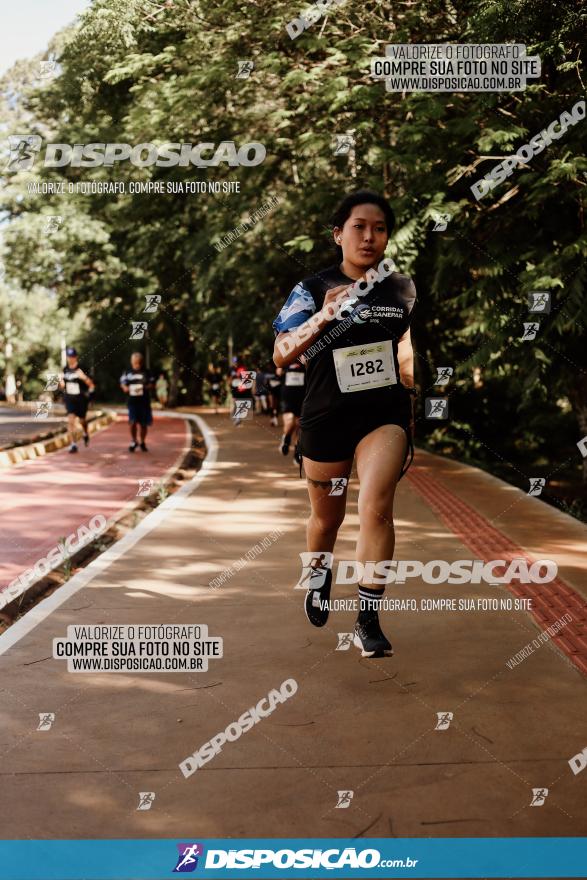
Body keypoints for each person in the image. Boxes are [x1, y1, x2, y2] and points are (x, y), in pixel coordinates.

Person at [272, 190, 417, 658]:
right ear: (339, 234)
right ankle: (319, 574)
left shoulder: (400, 287)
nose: (369, 236)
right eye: (359, 226)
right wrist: (323, 316)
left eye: (379, 228)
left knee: (376, 506)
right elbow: (281, 352)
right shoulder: (311, 289)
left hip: (383, 416)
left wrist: (409, 387)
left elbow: (404, 346)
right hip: (326, 418)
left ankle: (368, 617)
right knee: (326, 519)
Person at [59, 346, 95, 454]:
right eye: (69, 356)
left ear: (76, 357)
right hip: (70, 398)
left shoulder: (83, 368)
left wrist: (83, 377)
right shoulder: (65, 369)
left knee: (82, 421)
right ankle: (73, 444)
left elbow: (91, 384)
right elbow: (63, 386)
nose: (71, 358)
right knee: (71, 421)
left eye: (73, 356)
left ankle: (85, 432)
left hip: (81, 399)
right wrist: (60, 381)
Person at [120, 352, 155, 452]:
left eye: (137, 361)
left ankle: (142, 441)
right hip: (132, 402)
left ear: (140, 361)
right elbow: (122, 384)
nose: (135, 362)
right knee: (132, 422)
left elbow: (152, 384)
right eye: (133, 360)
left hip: (144, 402)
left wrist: (143, 387)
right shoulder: (127, 372)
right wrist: (125, 388)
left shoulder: (147, 372)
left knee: (143, 424)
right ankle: (134, 441)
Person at [279, 360, 306, 465]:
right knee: (290, 421)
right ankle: (286, 437)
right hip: (288, 395)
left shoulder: (308, 355)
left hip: (303, 395)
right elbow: (278, 371)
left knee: (300, 425)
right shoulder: (287, 358)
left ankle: (297, 453)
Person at [228, 356, 255, 426]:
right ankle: (237, 417)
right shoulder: (231, 369)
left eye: (236, 362)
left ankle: (238, 418)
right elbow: (228, 378)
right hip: (234, 387)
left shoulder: (244, 368)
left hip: (242, 388)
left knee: (240, 402)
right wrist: (229, 384)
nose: (235, 363)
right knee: (235, 402)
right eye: (234, 362)